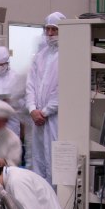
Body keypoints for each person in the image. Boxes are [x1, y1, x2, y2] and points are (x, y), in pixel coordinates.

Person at [26, 11, 65, 185]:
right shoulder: (40, 57)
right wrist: (32, 109)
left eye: (54, 30)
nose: (50, 34)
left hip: (55, 118)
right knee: (38, 160)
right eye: (47, 29)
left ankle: (56, 206)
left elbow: (63, 89)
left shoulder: (68, 56)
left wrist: (46, 111)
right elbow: (30, 85)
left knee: (54, 162)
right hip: (37, 119)